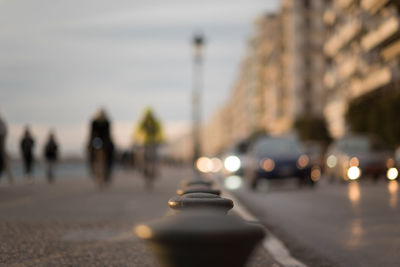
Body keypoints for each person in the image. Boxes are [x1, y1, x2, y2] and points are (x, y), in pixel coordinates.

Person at [135, 108, 164, 190]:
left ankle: (155, 170)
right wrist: (135, 139)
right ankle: (143, 169)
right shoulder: (143, 123)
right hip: (145, 143)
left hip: (153, 142)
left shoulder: (155, 123)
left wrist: (161, 139)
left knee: (155, 158)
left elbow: (160, 132)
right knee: (142, 158)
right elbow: (137, 131)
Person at [87, 109, 114, 183]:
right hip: (96, 139)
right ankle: (92, 166)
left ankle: (109, 168)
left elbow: (108, 134)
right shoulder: (94, 122)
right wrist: (92, 141)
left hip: (105, 139)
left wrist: (108, 142)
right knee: (90, 150)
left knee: (111, 150)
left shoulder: (106, 122)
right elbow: (92, 133)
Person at [0, 114, 13, 183]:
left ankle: (10, 178)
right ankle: (10, 177)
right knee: (5, 158)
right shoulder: (2, 121)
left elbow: (3, 132)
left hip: (1, 143)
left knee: (4, 158)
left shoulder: (1, 121)